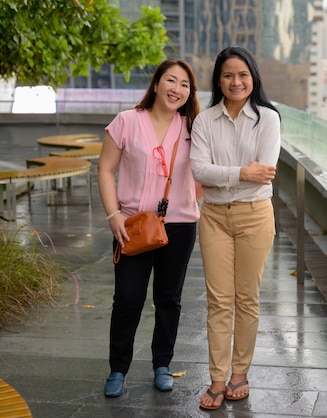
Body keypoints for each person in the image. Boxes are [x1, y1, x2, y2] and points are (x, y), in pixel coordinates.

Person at [98, 58, 201, 398]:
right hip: (133, 225)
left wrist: (190, 202)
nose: (177, 89)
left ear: (190, 92)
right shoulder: (126, 121)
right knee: (127, 298)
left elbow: (202, 172)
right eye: (171, 81)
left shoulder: (193, 127)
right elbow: (105, 169)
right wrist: (114, 215)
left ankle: (162, 364)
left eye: (184, 84)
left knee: (168, 298)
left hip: (180, 226)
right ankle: (118, 368)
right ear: (156, 84)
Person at [190, 46, 281, 411]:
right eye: (228, 75)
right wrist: (243, 172)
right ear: (218, 80)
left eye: (242, 74)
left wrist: (224, 176)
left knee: (247, 298)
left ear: (253, 77)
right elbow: (198, 170)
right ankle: (216, 379)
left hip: (254, 215)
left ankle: (239, 374)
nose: (236, 81)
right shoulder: (204, 120)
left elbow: (267, 170)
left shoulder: (268, 119)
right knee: (219, 301)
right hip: (213, 216)